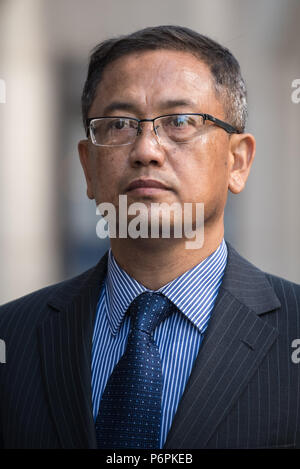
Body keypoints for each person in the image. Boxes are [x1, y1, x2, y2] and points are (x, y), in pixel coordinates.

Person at [0, 25, 300, 450]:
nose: (146, 150)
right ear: (88, 167)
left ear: (238, 161)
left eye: (179, 122)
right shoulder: (11, 338)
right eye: (120, 124)